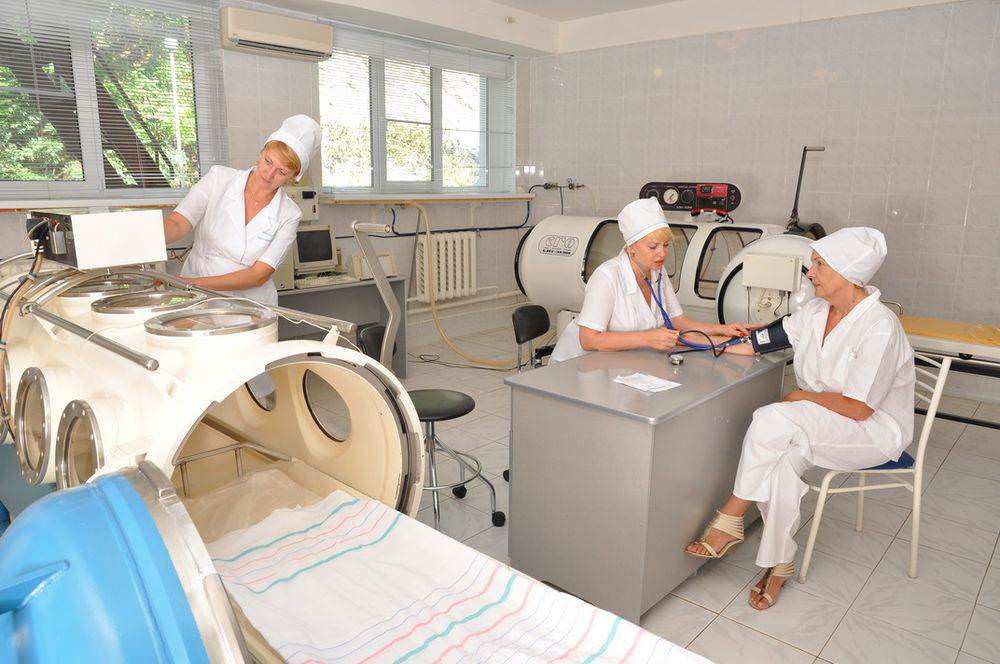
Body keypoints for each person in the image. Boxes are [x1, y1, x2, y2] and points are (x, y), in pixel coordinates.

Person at [684, 227, 915, 611]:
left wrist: (799, 396)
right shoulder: (815, 312)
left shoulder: (880, 326)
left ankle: (730, 518)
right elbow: (756, 343)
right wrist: (693, 343)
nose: (810, 272)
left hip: (870, 431)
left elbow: (859, 408)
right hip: (817, 420)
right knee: (782, 461)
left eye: (820, 265)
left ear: (847, 273)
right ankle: (779, 564)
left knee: (771, 419)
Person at [550, 197, 754, 363]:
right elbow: (588, 339)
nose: (662, 253)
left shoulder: (657, 272)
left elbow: (678, 322)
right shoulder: (607, 277)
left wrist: (724, 331)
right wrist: (647, 338)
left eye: (666, 245)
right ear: (632, 247)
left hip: (620, 364)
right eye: (653, 247)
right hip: (578, 365)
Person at [162, 115, 322, 306]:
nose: (269, 174)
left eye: (282, 172)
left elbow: (258, 275)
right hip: (199, 298)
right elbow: (178, 223)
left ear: (294, 176)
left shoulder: (290, 214)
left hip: (250, 306)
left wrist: (187, 283)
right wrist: (145, 240)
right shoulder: (218, 178)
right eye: (268, 161)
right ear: (262, 152)